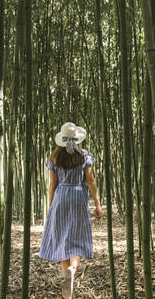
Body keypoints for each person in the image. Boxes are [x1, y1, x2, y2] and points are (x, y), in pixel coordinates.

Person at [38, 122, 103, 299]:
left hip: (61, 197)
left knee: (61, 237)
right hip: (78, 196)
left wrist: (51, 206)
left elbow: (52, 184)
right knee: (78, 236)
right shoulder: (84, 155)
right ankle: (72, 270)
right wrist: (97, 203)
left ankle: (66, 276)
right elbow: (91, 181)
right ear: (77, 139)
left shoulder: (55, 158)